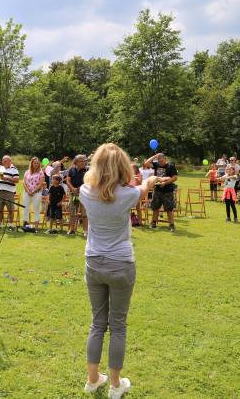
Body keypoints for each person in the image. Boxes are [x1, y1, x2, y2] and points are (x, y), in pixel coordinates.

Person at [80, 143, 159, 398]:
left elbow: (115, 188)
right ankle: (115, 385)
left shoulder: (84, 190)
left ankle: (93, 379)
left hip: (94, 262)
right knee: (118, 326)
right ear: (121, 166)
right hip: (120, 263)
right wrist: (151, 179)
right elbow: (144, 189)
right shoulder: (128, 194)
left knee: (97, 323)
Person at [144, 153, 178, 232]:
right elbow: (146, 163)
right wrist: (155, 156)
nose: (160, 162)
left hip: (168, 190)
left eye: (161, 160)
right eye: (159, 160)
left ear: (165, 159)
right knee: (155, 207)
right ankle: (154, 223)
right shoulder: (156, 165)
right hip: (157, 190)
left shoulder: (170, 166)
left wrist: (165, 183)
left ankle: (171, 225)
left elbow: (175, 177)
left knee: (169, 209)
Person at [66, 154, 88, 236]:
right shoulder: (71, 170)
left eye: (84, 161)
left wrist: (78, 189)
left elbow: (88, 183)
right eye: (81, 161)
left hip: (84, 194)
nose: (83, 162)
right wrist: (73, 189)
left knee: (84, 213)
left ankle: (85, 231)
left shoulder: (87, 171)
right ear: (76, 162)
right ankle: (72, 230)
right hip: (73, 194)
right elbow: (68, 181)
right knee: (72, 212)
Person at [0, 155, 20, 230]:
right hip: (0, 191)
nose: (4, 162)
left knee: (10, 209)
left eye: (5, 161)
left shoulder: (14, 169)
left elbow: (17, 180)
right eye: (3, 161)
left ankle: (10, 225)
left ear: (10, 161)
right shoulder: (0, 168)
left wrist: (6, 178)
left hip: (9, 192)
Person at [22, 157, 45, 231]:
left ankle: (36, 227)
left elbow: (41, 184)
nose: (36, 164)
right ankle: (25, 225)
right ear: (31, 163)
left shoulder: (41, 172)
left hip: (37, 193)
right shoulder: (27, 172)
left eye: (37, 163)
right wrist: (28, 191)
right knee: (25, 208)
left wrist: (33, 191)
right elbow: (24, 182)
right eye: (34, 163)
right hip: (27, 192)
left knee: (36, 209)